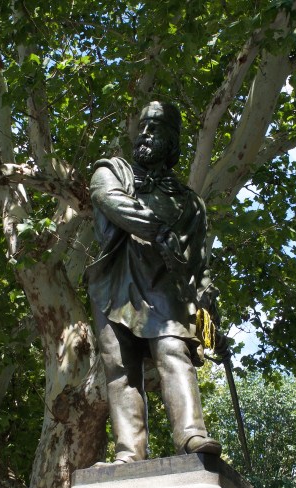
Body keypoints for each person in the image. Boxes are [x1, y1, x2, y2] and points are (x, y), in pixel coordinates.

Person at [85, 101, 222, 464]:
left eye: (155, 127)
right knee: (120, 369)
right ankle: (128, 454)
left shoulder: (191, 203)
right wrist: (160, 231)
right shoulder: (111, 170)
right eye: (142, 126)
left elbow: (199, 261)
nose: (144, 133)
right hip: (116, 284)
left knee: (173, 352)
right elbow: (111, 201)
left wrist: (209, 301)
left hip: (166, 285)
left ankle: (191, 434)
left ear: (172, 140)